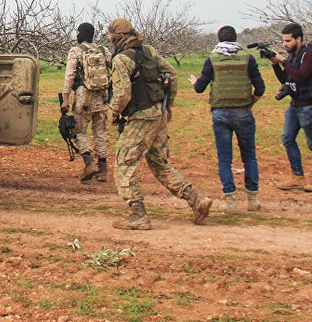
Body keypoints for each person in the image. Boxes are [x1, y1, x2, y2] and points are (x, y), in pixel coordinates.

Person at [107, 18, 212, 230]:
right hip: (157, 114)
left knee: (124, 164)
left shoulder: (121, 60)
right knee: (159, 163)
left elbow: (123, 94)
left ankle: (138, 214)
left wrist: (112, 112)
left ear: (116, 36)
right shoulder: (149, 52)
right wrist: (167, 105)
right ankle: (196, 200)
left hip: (140, 118)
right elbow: (172, 74)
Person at [188, 25, 266, 212]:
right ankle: (253, 200)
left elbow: (200, 88)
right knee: (249, 157)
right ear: (236, 39)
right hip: (243, 112)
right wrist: (250, 103)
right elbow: (260, 88)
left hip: (220, 114)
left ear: (218, 40)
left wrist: (194, 82)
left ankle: (231, 202)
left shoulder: (212, 59)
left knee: (225, 159)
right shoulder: (248, 58)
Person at [270, 23, 312, 192]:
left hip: (310, 106)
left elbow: (300, 76)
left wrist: (283, 61)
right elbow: (287, 80)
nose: (285, 44)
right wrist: (275, 64)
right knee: (287, 138)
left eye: (288, 41)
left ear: (298, 39)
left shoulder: (310, 55)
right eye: (284, 41)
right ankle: (297, 176)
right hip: (295, 105)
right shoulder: (293, 56)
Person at [61, 22, 112, 183]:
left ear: (81, 34)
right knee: (101, 132)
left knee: (78, 130)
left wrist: (65, 99)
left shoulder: (76, 51)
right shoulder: (104, 50)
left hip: (84, 97)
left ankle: (89, 163)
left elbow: (70, 76)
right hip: (102, 97)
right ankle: (103, 170)